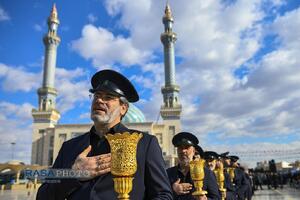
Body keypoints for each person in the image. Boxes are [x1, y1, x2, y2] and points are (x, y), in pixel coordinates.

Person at [36, 69, 173, 200]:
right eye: (97, 96)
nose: (99, 100)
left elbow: (163, 195)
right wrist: (73, 175)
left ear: (123, 108)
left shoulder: (143, 144)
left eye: (108, 97)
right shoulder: (70, 147)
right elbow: (43, 196)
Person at [166, 132, 221, 200]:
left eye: (187, 147)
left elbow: (217, 198)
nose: (183, 151)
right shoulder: (168, 173)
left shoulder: (207, 173)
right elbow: (158, 195)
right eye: (180, 148)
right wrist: (173, 190)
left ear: (194, 151)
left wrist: (205, 199)